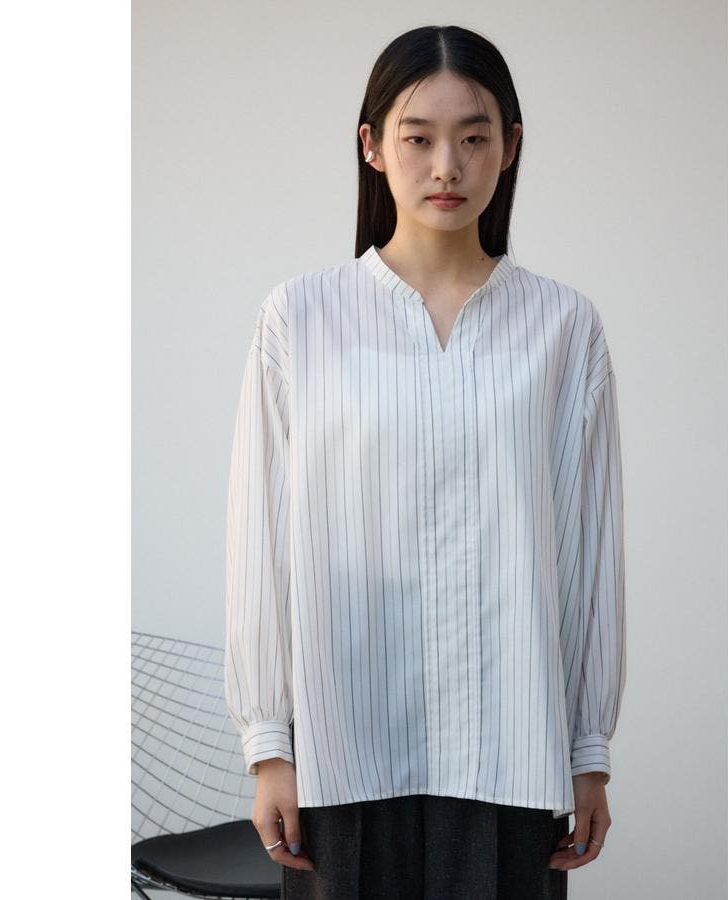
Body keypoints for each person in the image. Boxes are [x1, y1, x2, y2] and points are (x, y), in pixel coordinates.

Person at [224, 24, 626, 900]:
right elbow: (263, 542)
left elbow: (588, 551)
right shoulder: (300, 319)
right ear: (372, 146)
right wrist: (269, 748)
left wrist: (588, 751)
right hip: (343, 751)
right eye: (419, 138)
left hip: (512, 754)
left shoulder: (564, 328)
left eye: (474, 138)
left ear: (510, 147)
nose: (448, 166)